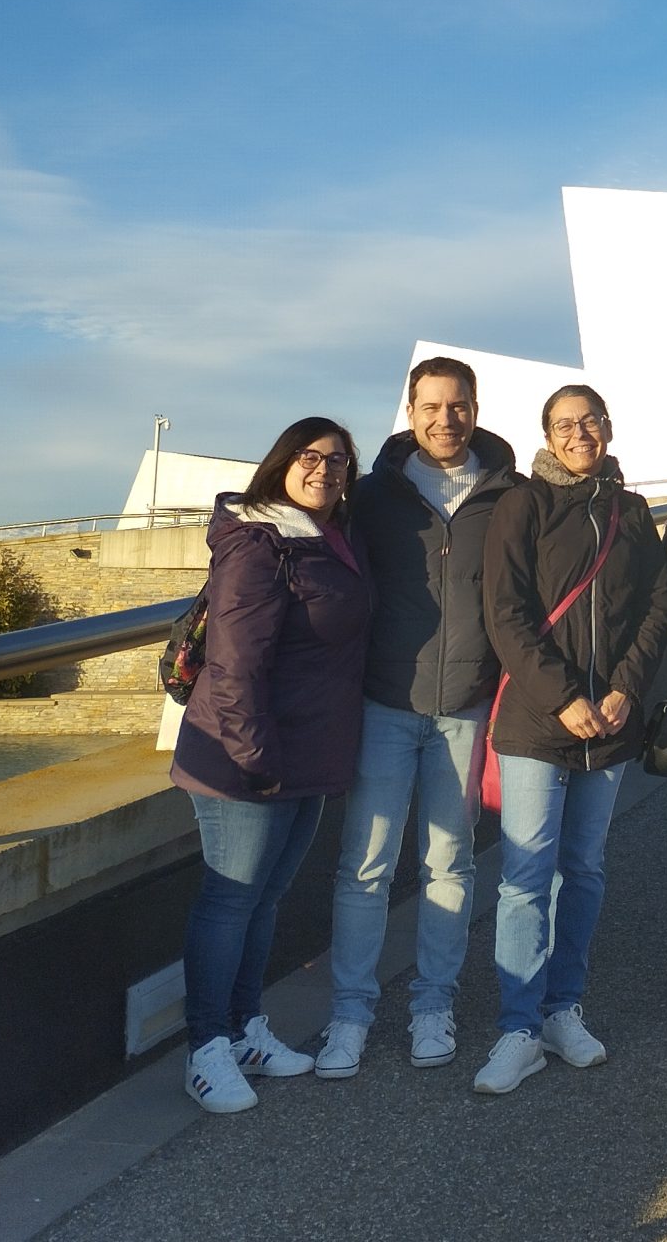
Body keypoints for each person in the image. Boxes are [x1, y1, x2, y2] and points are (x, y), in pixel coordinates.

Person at [314, 356, 522, 1080]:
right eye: (430, 406)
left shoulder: (507, 494)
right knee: (364, 866)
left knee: (450, 864)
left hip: (465, 704)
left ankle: (434, 1005)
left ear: (475, 408)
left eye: (457, 405)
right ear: (410, 411)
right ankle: (350, 1013)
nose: (445, 419)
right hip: (385, 701)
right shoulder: (373, 495)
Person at [473, 384, 667, 1096]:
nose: (579, 433)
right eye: (564, 424)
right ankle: (518, 1028)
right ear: (547, 436)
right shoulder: (522, 506)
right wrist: (564, 697)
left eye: (589, 421)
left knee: (584, 869)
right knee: (526, 877)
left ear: (608, 428)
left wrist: (625, 688)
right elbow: (505, 613)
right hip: (538, 723)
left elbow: (657, 606)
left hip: (609, 727)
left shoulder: (631, 511)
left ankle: (564, 1010)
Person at [170, 418, 374, 1114]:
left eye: (338, 461)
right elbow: (234, 665)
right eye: (309, 457)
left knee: (264, 897)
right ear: (281, 463)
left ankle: (244, 1030)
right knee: (230, 900)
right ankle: (205, 1051)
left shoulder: (331, 536)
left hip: (304, 753)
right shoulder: (258, 542)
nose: (324, 470)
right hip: (244, 756)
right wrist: (255, 759)